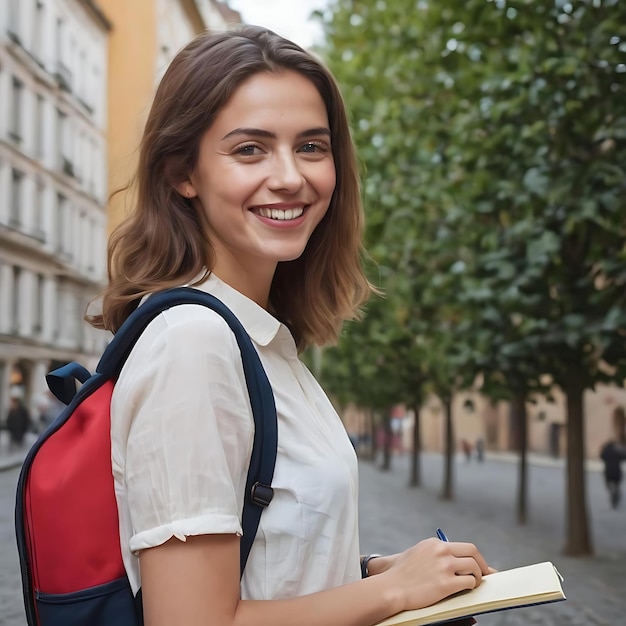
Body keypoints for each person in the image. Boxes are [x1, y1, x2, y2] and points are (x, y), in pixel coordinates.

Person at [88, 26, 493, 626]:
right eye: (250, 149)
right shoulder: (193, 344)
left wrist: (370, 572)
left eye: (311, 146)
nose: (290, 177)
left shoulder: (260, 339)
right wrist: (393, 594)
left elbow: (262, 560)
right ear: (183, 172)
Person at [600, 406, 626, 509]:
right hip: (614, 455)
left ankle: (614, 492)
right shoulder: (616, 425)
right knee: (612, 474)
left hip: (615, 454)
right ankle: (614, 491)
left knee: (611, 474)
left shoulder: (620, 426)